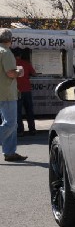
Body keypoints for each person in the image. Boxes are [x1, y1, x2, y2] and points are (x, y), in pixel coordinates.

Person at [0, 28, 27, 162]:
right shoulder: (6, 53)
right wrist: (19, 72)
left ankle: (10, 152)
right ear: (10, 40)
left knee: (10, 123)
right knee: (10, 123)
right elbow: (10, 73)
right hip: (6, 92)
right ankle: (9, 152)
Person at [15, 48, 37, 136]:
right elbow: (34, 74)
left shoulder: (11, 64)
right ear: (21, 55)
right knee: (29, 110)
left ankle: (20, 130)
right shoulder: (26, 63)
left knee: (18, 112)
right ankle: (32, 129)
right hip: (27, 90)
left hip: (17, 91)